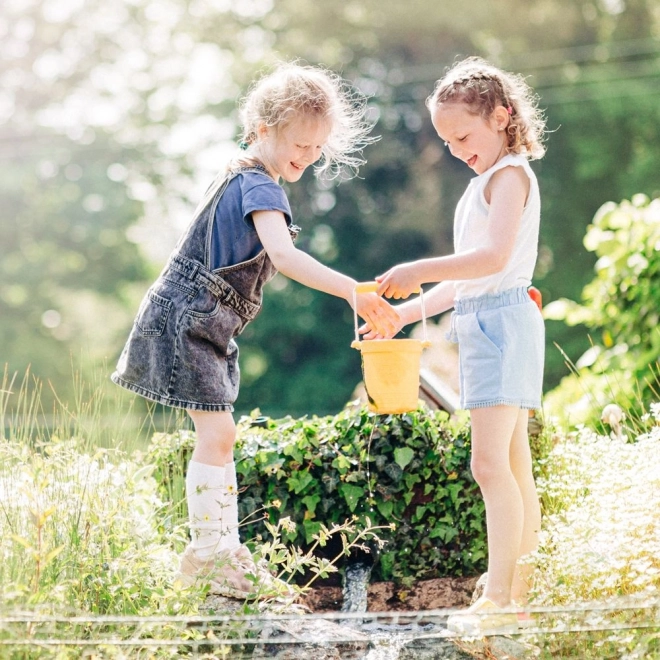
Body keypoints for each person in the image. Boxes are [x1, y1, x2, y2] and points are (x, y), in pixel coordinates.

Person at [112, 62, 399, 601]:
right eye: (298, 144)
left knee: (220, 437)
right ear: (263, 128)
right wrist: (352, 290)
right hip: (191, 319)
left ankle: (220, 551)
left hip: (208, 323)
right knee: (217, 436)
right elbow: (284, 255)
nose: (307, 157)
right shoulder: (258, 185)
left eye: (317, 149)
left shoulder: (241, 172)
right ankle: (208, 556)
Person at [363, 56, 547, 635]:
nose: (456, 148)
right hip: (485, 321)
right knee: (513, 465)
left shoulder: (510, 175)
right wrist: (404, 314)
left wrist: (417, 267)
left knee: (488, 463)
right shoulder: (483, 183)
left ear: (501, 116)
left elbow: (491, 260)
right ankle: (522, 594)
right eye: (446, 141)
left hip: (502, 324)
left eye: (463, 135)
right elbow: (468, 280)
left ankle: (498, 597)